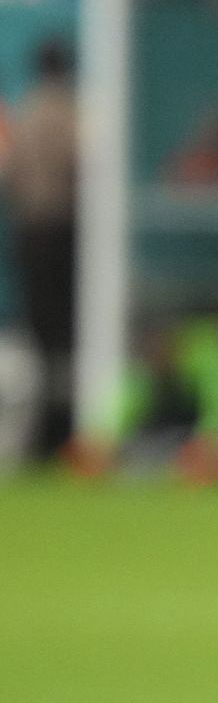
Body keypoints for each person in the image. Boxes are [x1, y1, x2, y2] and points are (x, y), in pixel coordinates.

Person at [0, 40, 78, 460]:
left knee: (40, 335)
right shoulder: (72, 112)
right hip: (65, 231)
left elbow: (9, 176)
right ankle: (60, 432)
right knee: (67, 334)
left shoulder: (24, 113)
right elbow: (81, 167)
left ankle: (43, 433)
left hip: (29, 233)